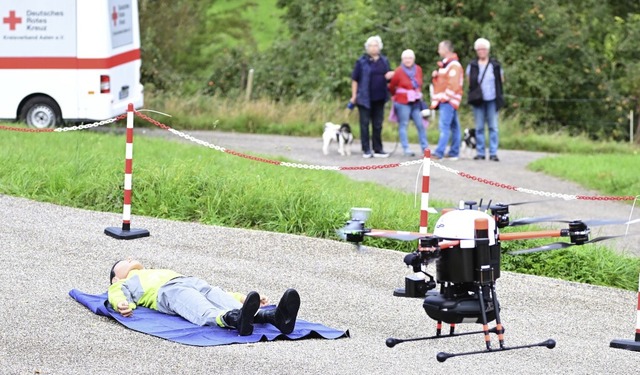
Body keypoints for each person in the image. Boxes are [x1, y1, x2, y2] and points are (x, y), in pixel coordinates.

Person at [108, 257, 301, 336]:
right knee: (197, 304)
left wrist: (239, 297)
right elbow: (115, 293)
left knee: (215, 294)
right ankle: (232, 319)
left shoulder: (154, 269)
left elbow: (216, 293)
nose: (130, 258)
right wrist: (121, 303)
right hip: (168, 291)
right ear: (116, 277)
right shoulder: (123, 283)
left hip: (191, 281)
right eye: (124, 261)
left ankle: (274, 317)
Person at [350, 35, 394, 158]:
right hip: (364, 97)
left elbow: (388, 77)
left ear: (379, 47)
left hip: (380, 97)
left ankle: (378, 148)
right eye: (371, 46)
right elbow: (355, 79)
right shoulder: (361, 61)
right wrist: (354, 96)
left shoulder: (384, 61)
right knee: (364, 124)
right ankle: (366, 149)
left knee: (378, 124)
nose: (373, 48)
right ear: (367, 48)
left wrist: (390, 76)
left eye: (375, 45)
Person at [466, 38, 505, 162]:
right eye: (479, 49)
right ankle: (480, 152)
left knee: (493, 127)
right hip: (478, 100)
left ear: (488, 50)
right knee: (479, 127)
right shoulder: (472, 65)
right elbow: (469, 81)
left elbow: (501, 80)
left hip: (492, 99)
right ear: (476, 51)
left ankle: (493, 152)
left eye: (484, 49)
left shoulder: (495, 65)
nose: (481, 51)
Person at [388, 49, 429, 157]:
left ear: (413, 59)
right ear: (402, 60)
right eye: (405, 58)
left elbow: (420, 83)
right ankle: (406, 149)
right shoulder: (399, 71)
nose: (408, 60)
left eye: (410, 58)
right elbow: (392, 86)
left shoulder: (418, 69)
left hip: (415, 102)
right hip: (402, 101)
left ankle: (425, 148)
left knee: (420, 124)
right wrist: (395, 95)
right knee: (404, 124)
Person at [430, 40, 464, 161]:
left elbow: (453, 84)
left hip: (448, 100)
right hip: (449, 100)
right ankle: (454, 152)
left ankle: (439, 152)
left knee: (444, 126)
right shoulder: (446, 65)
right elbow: (443, 82)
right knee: (454, 126)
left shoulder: (454, 65)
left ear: (446, 50)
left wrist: (445, 98)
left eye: (440, 48)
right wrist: (436, 76)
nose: (438, 50)